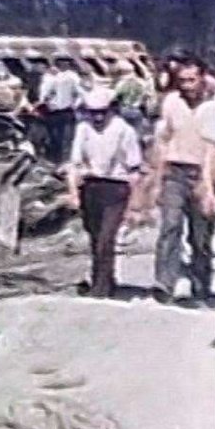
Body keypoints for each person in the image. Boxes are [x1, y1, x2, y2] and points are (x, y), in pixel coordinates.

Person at [151, 57, 215, 304]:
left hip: (205, 173)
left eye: (192, 80)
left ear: (202, 79)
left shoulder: (214, 106)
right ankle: (164, 283)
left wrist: (208, 184)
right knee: (170, 226)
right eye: (182, 81)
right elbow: (163, 139)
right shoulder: (171, 103)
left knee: (200, 235)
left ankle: (201, 284)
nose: (187, 86)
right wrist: (156, 177)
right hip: (175, 171)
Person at [67, 87, 143, 298]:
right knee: (95, 236)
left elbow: (134, 168)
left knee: (106, 238)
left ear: (112, 109)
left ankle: (101, 289)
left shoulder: (124, 130)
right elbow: (74, 163)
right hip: (91, 186)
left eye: (103, 112)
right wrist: (73, 192)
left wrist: (134, 203)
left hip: (115, 187)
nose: (98, 117)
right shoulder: (83, 129)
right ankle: (103, 277)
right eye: (93, 112)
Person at [39, 58, 82, 164]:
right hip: (51, 112)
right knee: (53, 139)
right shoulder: (48, 77)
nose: (63, 64)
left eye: (65, 62)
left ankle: (65, 163)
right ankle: (54, 162)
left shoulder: (72, 76)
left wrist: (75, 105)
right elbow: (43, 95)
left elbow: (80, 93)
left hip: (66, 111)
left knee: (66, 139)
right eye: (60, 62)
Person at [113, 60, 147, 134]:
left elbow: (115, 97)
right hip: (137, 110)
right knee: (137, 135)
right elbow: (145, 97)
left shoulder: (121, 84)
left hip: (124, 110)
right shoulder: (141, 82)